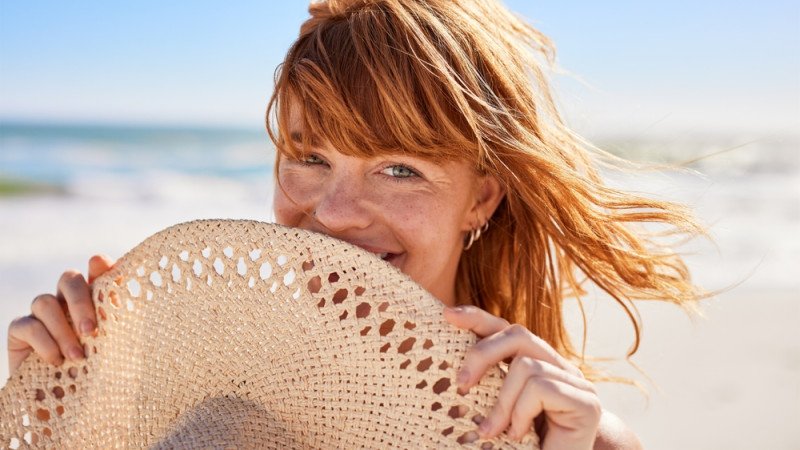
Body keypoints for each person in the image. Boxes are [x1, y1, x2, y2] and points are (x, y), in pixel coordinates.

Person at [7, 0, 707, 448]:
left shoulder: (566, 435)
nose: (334, 214)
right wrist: (52, 410)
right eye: (310, 158)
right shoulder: (181, 387)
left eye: (400, 168)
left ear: (482, 199)